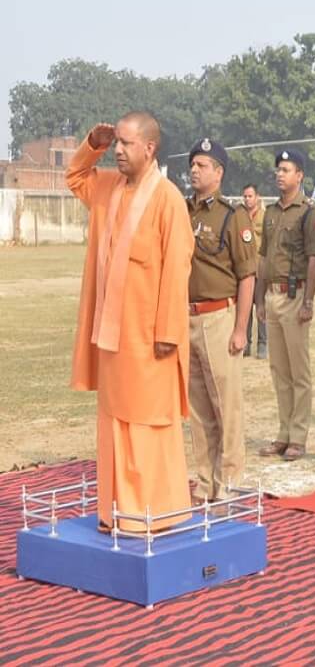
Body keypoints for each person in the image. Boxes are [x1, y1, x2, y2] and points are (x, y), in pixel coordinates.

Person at [67, 113, 193, 532]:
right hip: (111, 338)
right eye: (115, 143)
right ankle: (116, 512)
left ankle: (152, 515)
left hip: (149, 341)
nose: (118, 151)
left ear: (149, 149)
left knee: (146, 426)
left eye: (124, 143)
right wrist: (93, 143)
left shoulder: (168, 199)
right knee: (113, 426)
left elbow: (177, 270)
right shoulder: (107, 189)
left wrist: (169, 334)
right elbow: (74, 176)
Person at [184, 138, 257, 504]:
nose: (195, 170)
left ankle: (228, 480)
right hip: (188, 317)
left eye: (203, 165)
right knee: (197, 407)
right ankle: (203, 480)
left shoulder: (233, 216)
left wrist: (241, 328)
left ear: (219, 172)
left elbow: (247, 276)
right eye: (193, 164)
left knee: (225, 404)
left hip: (219, 318)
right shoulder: (183, 211)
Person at [255, 149, 315, 462]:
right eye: (278, 169)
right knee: (279, 371)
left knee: (299, 372)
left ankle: (298, 436)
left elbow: (314, 259)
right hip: (272, 295)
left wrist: (308, 300)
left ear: (300, 176)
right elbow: (263, 258)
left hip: (295, 296)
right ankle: (283, 434)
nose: (279, 174)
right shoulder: (270, 213)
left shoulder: (310, 212)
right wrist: (258, 299)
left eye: (286, 169)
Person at [242, 183, 268, 359]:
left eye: (250, 196)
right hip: (245, 269)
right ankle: (246, 344)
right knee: (245, 309)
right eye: (245, 196)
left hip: (260, 269)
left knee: (261, 308)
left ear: (257, 197)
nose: (247, 199)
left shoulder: (265, 217)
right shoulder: (241, 216)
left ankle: (262, 344)